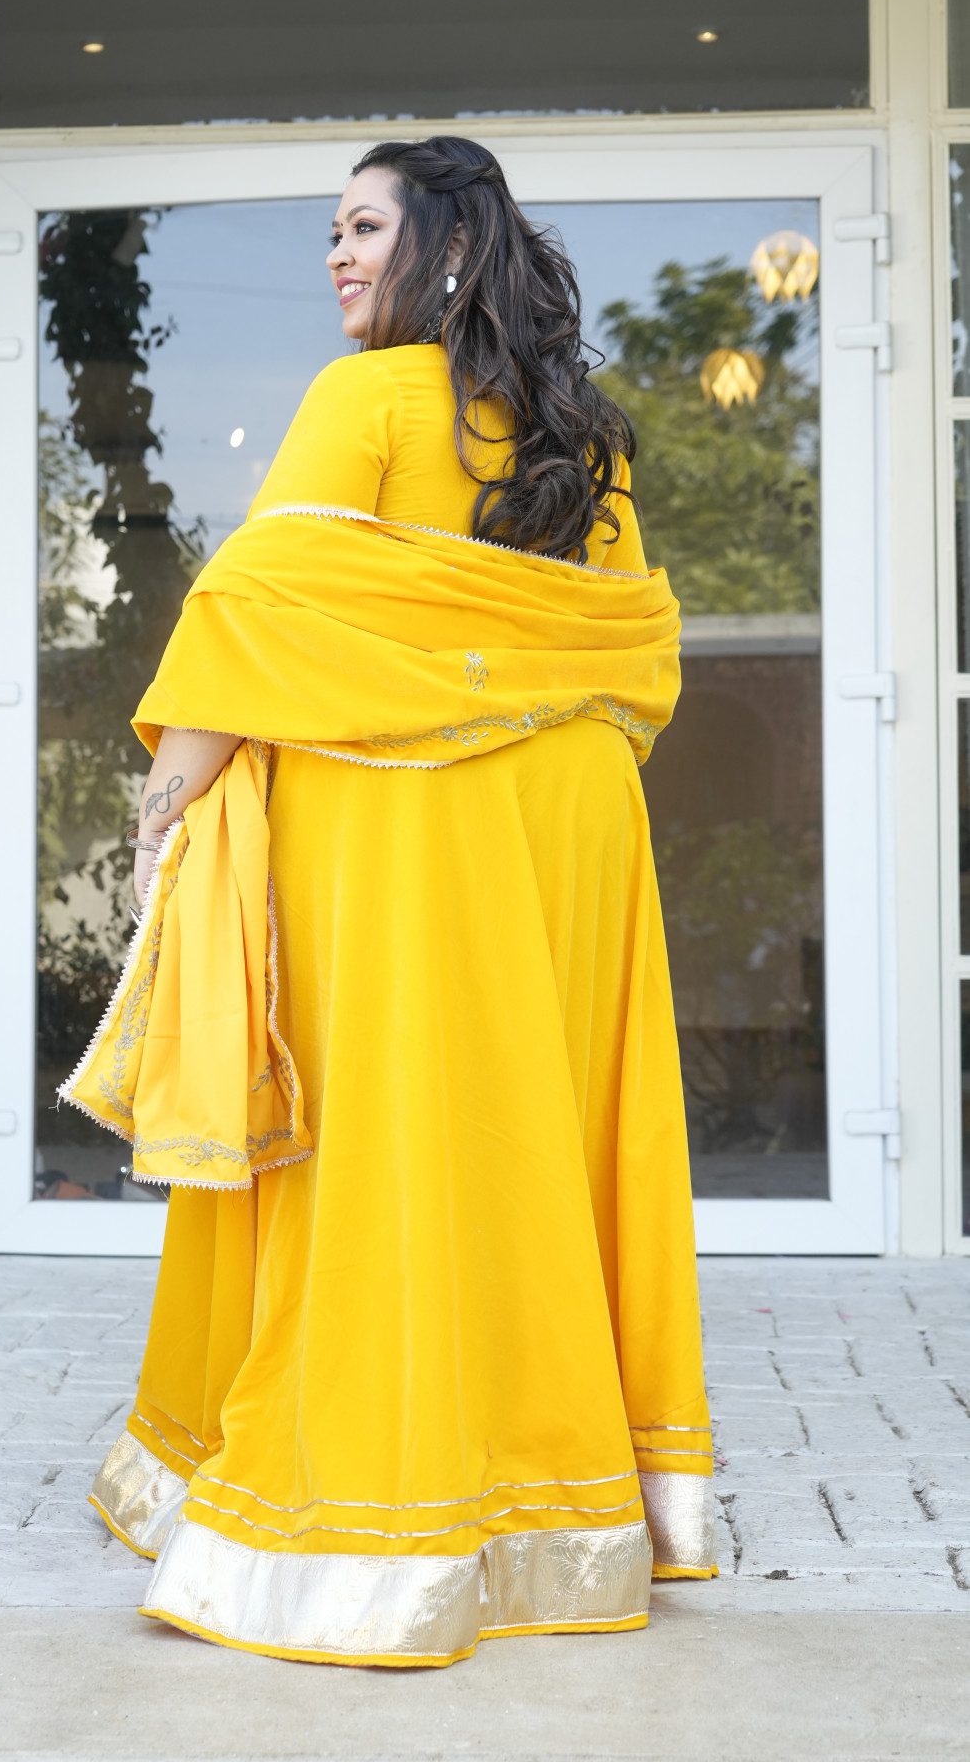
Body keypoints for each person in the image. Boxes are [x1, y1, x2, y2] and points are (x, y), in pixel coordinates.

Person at [61, 136, 716, 1667]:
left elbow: (256, 607)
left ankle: (371, 1526)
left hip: (405, 809)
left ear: (451, 247)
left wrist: (172, 790)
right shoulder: (585, 436)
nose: (337, 256)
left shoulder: (363, 401)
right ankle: (560, 1517)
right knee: (531, 1139)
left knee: (385, 1142)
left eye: (363, 226)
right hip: (569, 819)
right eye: (332, 232)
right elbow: (628, 642)